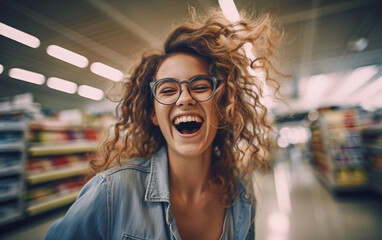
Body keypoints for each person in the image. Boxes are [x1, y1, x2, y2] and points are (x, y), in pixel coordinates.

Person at [44, 7, 282, 240]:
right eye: (167, 90)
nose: (185, 98)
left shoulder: (241, 194)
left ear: (222, 107)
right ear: (153, 114)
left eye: (200, 86)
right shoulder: (111, 192)